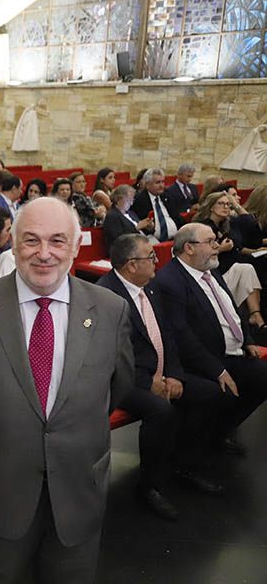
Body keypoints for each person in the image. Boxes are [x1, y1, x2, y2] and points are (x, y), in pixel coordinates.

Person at [0, 197, 134, 584]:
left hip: (79, 495)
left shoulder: (111, 310)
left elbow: (118, 387)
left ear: (77, 246)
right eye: (31, 240)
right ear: (12, 243)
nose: (44, 254)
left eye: (58, 241)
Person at [97, 235, 225, 520]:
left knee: (209, 393)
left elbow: (167, 334)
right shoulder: (105, 296)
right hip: (123, 379)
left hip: (160, 371)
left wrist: (174, 374)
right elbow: (111, 356)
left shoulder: (150, 288)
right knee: (160, 410)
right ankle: (149, 485)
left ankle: (183, 463)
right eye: (150, 257)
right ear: (132, 265)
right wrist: (148, 382)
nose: (157, 261)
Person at [153, 223, 267, 456]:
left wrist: (247, 339)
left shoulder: (210, 270)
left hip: (231, 350)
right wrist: (217, 370)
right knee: (218, 394)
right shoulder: (170, 281)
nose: (217, 246)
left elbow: (231, 309)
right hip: (201, 360)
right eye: (210, 242)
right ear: (189, 248)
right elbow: (181, 335)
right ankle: (191, 454)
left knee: (262, 378)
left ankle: (221, 431)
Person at [194, 190, 265, 329]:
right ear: (211, 207)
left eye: (228, 204)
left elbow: (249, 223)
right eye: (221, 204)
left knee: (248, 267)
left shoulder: (228, 223)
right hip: (212, 272)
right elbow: (198, 256)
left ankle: (255, 315)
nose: (226, 207)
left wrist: (236, 206)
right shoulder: (202, 227)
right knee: (251, 266)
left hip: (230, 266)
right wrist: (220, 249)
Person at [131, 168, 183, 243]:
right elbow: (142, 225)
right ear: (147, 184)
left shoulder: (167, 196)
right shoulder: (140, 200)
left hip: (176, 236)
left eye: (163, 182)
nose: (161, 185)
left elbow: (177, 217)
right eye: (158, 182)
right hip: (153, 239)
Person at [104, 185, 154, 256]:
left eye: (132, 200)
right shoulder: (112, 216)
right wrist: (136, 228)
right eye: (128, 200)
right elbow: (117, 239)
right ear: (119, 199)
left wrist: (149, 227)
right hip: (126, 250)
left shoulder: (131, 213)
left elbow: (141, 230)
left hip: (141, 243)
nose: (131, 203)